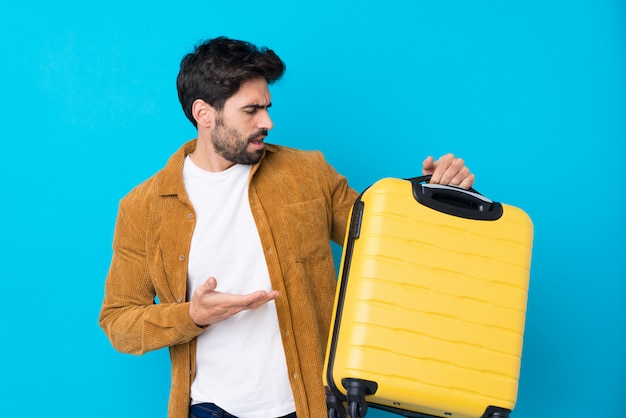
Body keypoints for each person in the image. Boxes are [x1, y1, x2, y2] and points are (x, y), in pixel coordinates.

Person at [98, 36, 475, 418]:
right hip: (211, 410)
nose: (268, 122)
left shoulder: (308, 174)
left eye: (267, 107)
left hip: (312, 404)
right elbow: (119, 321)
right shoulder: (143, 207)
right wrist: (192, 315)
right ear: (204, 113)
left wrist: (438, 198)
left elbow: (391, 246)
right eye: (251, 110)